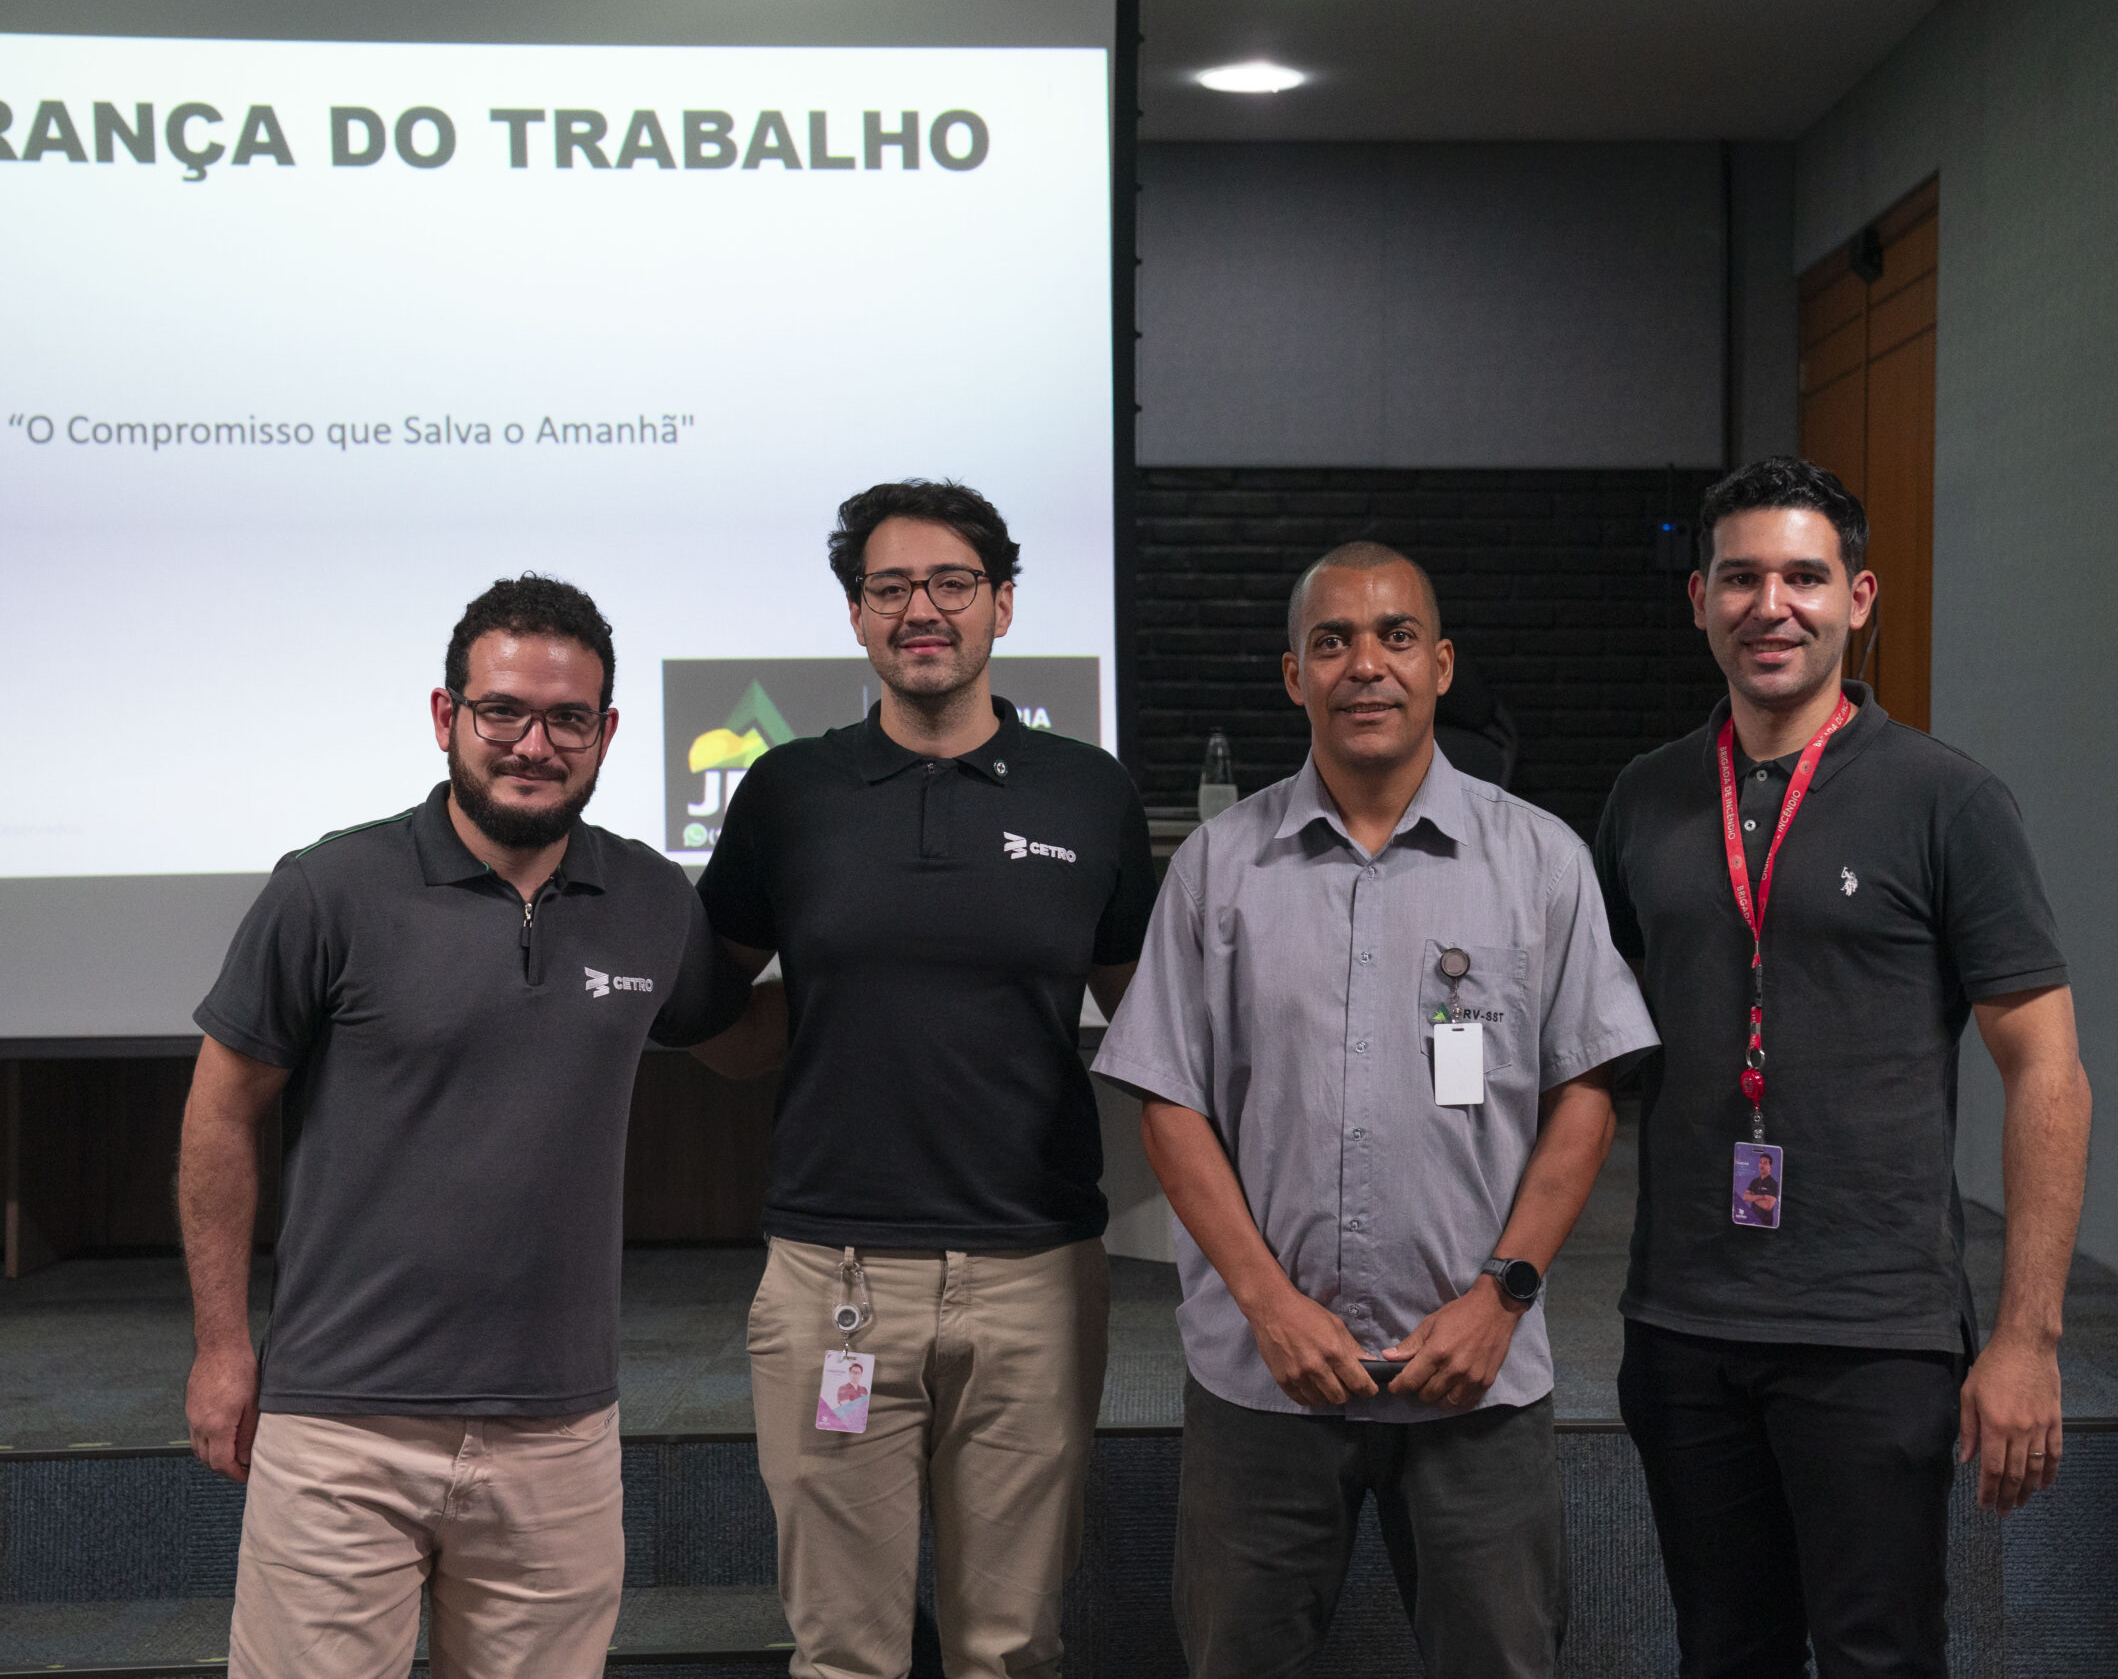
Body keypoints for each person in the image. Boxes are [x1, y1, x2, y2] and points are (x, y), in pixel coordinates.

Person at [1094, 541, 1659, 1679]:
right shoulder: (1218, 868)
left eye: (1395, 636)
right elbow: (1167, 1099)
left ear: (1440, 665)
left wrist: (1500, 1303)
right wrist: (1270, 1307)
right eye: (1332, 641)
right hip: (1263, 1380)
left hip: (1475, 1378)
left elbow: (1584, 1096)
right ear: (1291, 676)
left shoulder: (1539, 859)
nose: (1366, 665)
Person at [179, 574, 751, 1679]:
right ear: (447, 718)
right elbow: (220, 1111)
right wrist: (220, 1346)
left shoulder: (651, 899)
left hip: (561, 1434)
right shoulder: (329, 889)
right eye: (502, 712)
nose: (532, 744)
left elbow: (735, 1033)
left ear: (606, 733)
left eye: (566, 719)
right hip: (344, 1427)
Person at [1594, 457, 2093, 1678]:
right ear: (1699, 602)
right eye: (1741, 578)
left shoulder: (1946, 801)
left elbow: (2047, 1071)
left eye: (1804, 577)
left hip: (1873, 1329)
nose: (1773, 605)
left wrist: (2027, 1337)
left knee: (1878, 1655)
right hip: (1683, 1322)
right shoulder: (1645, 799)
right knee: (1723, 1650)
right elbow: (1591, 1052)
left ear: (1858, 598)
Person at [690, 479, 1156, 1679]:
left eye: (951, 583)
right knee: (845, 1652)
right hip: (832, 1277)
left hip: (1035, 1277)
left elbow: (1147, 1018)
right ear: (856, 617)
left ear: (1002, 602)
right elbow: (721, 1012)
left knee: (1011, 1648)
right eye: (889, 588)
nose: (921, 611)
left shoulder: (1087, 790)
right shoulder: (788, 794)